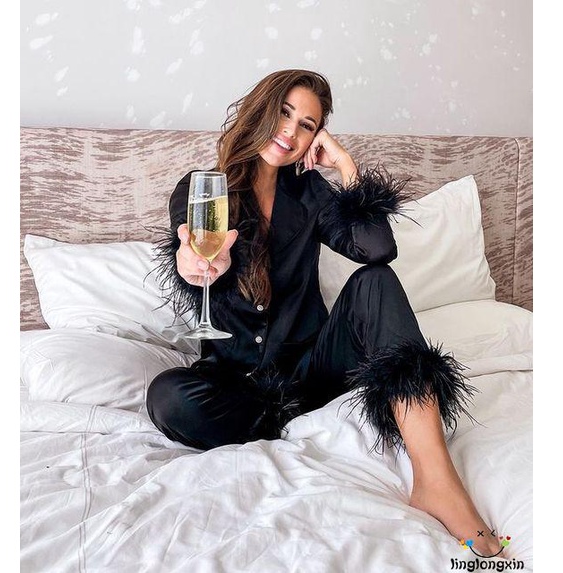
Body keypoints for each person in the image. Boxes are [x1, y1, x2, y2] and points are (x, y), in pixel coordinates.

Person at [147, 69, 499, 556]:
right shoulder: (203, 188)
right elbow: (190, 250)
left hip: (312, 372)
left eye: (307, 125)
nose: (290, 131)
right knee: (167, 396)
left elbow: (377, 249)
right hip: (238, 384)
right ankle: (281, 426)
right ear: (260, 109)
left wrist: (346, 167)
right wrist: (197, 264)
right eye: (284, 113)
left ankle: (435, 479)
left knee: (375, 281)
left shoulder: (310, 193)